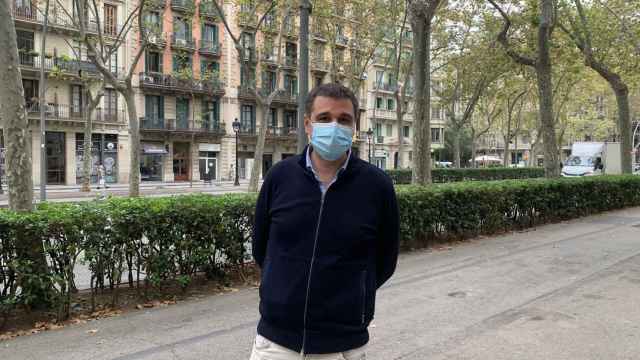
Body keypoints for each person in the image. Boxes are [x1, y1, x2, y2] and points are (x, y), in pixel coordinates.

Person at [251, 83, 400, 359]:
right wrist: (282, 290)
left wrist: (355, 293)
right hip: (276, 343)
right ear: (308, 125)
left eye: (344, 120)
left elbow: (385, 260)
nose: (334, 126)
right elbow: (261, 248)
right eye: (324, 118)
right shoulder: (279, 177)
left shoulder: (377, 186)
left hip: (344, 344)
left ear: (355, 126)